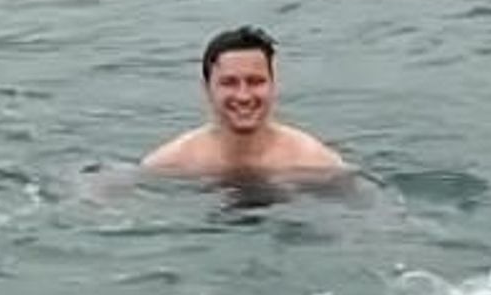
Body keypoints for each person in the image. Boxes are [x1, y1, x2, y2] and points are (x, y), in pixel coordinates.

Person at [141, 26, 347, 180]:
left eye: (255, 82)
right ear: (207, 89)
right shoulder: (172, 164)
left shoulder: (315, 164)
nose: (243, 96)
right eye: (229, 83)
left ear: (274, 85)